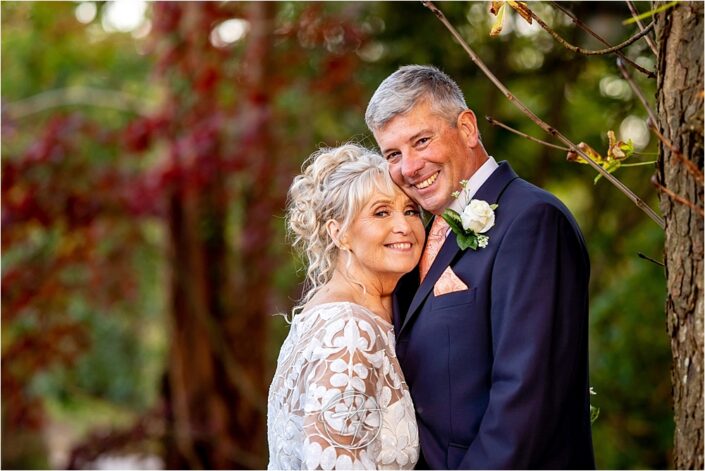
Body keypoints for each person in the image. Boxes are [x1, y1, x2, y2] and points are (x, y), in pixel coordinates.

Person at [365, 65, 595, 469]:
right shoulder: (416, 238)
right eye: (393, 154)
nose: (410, 167)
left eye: (421, 141)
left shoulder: (532, 221)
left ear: (468, 129)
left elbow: (526, 398)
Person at [267, 143, 424, 470]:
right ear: (339, 233)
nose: (404, 226)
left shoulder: (332, 310)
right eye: (381, 212)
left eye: (411, 210)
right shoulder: (349, 330)